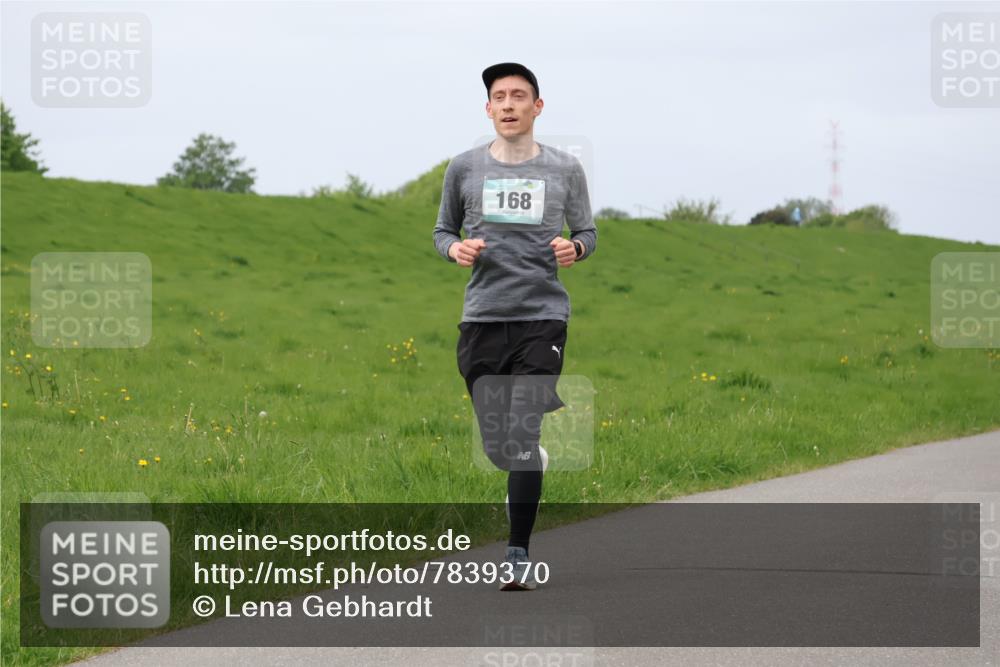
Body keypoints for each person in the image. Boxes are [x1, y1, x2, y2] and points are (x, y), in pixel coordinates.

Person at [432, 63, 598, 591]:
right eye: (499, 97)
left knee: (523, 436)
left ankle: (517, 554)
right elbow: (442, 230)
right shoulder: (463, 168)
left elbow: (588, 231)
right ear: (488, 109)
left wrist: (576, 248)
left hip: (542, 317)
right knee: (503, 448)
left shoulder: (565, 169)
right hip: (482, 318)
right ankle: (527, 462)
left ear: (537, 107)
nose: (508, 104)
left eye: (518, 96)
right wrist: (455, 248)